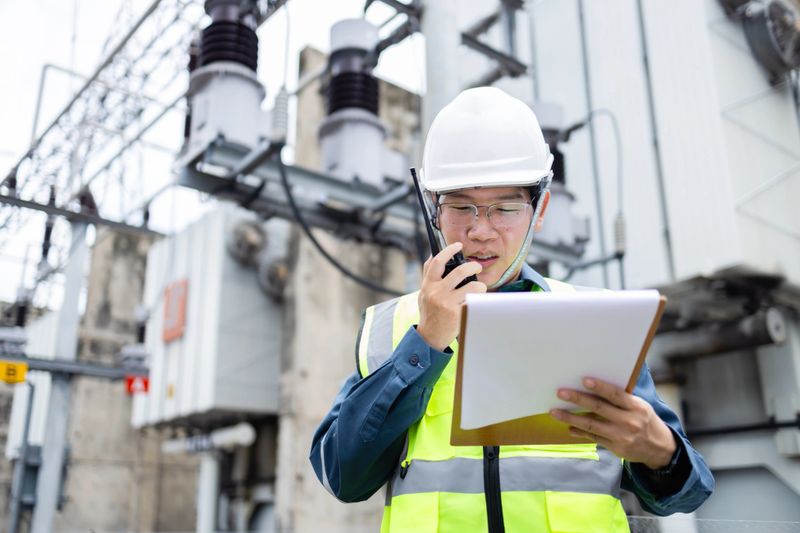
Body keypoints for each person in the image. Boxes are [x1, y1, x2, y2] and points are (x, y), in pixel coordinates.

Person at [310, 87, 714, 532]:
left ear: (539, 210)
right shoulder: (391, 330)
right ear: (434, 212)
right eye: (461, 207)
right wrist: (424, 342)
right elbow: (343, 477)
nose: (481, 231)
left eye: (505, 208)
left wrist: (661, 453)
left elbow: (690, 489)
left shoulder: (593, 323)